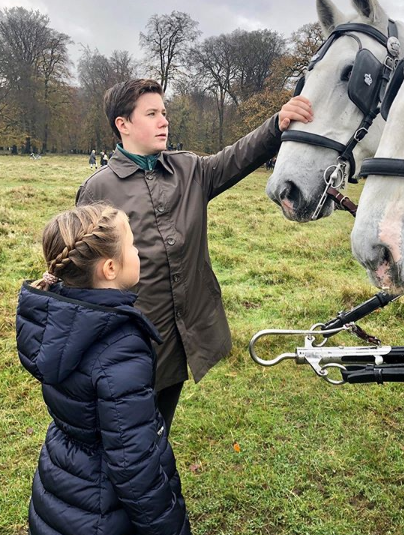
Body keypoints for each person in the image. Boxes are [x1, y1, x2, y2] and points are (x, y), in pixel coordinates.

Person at [76, 78, 313, 430]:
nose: (164, 121)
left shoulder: (189, 170)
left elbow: (237, 157)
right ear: (122, 124)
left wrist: (277, 124)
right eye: (152, 113)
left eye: (164, 112)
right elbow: (84, 280)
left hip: (175, 342)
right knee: (122, 440)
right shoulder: (98, 190)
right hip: (126, 348)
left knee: (158, 431)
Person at [16, 203, 194, 535]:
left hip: (62, 486)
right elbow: (134, 468)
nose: (138, 252)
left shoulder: (60, 321)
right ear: (110, 268)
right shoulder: (120, 348)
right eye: (132, 245)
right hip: (103, 521)